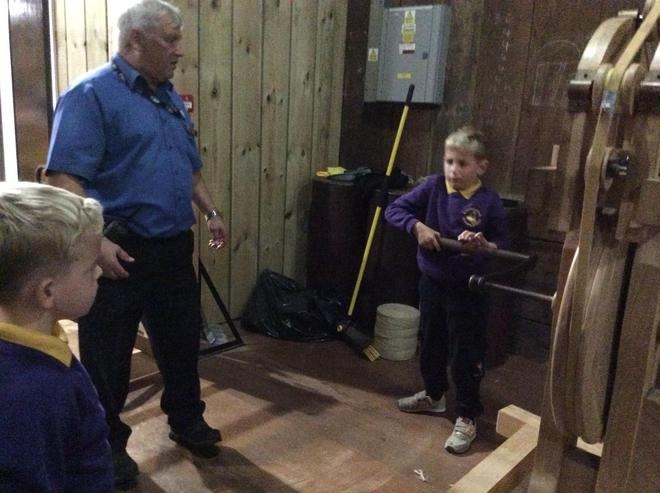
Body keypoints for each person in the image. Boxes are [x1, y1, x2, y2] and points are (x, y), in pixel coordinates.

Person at [45, 0, 229, 488]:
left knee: (181, 344)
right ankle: (106, 446)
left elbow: (190, 168)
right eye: (170, 39)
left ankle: (187, 420)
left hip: (173, 249)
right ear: (134, 42)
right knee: (107, 360)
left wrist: (210, 212)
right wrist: (96, 243)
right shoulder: (89, 96)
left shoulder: (168, 98)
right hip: (119, 252)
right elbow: (64, 179)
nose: (179, 50)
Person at [384, 126, 510, 454]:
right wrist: (417, 227)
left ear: (481, 166)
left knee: (466, 354)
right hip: (433, 283)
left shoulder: (489, 201)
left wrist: (485, 244)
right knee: (430, 343)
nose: (453, 170)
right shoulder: (433, 187)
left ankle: (467, 415)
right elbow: (394, 210)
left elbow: (502, 242)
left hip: (469, 290)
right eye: (449, 161)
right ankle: (434, 394)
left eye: (462, 164)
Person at [0, 182, 113, 491]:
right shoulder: (33, 394)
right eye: (90, 268)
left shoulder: (34, 349)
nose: (99, 273)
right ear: (47, 292)